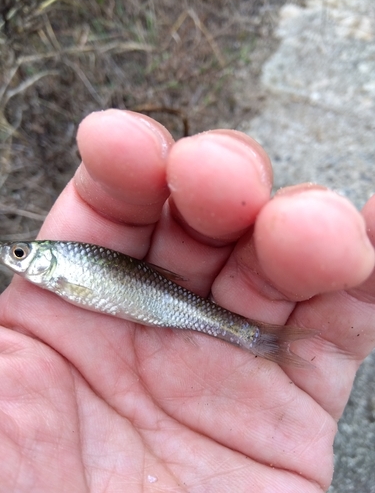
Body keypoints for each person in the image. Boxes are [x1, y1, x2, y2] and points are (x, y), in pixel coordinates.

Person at [0, 109, 374, 492]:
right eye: (18, 254)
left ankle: (259, 337)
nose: (14, 257)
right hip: (154, 303)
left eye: (19, 254)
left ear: (44, 259)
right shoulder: (54, 283)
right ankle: (260, 337)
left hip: (159, 302)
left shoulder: (61, 267)